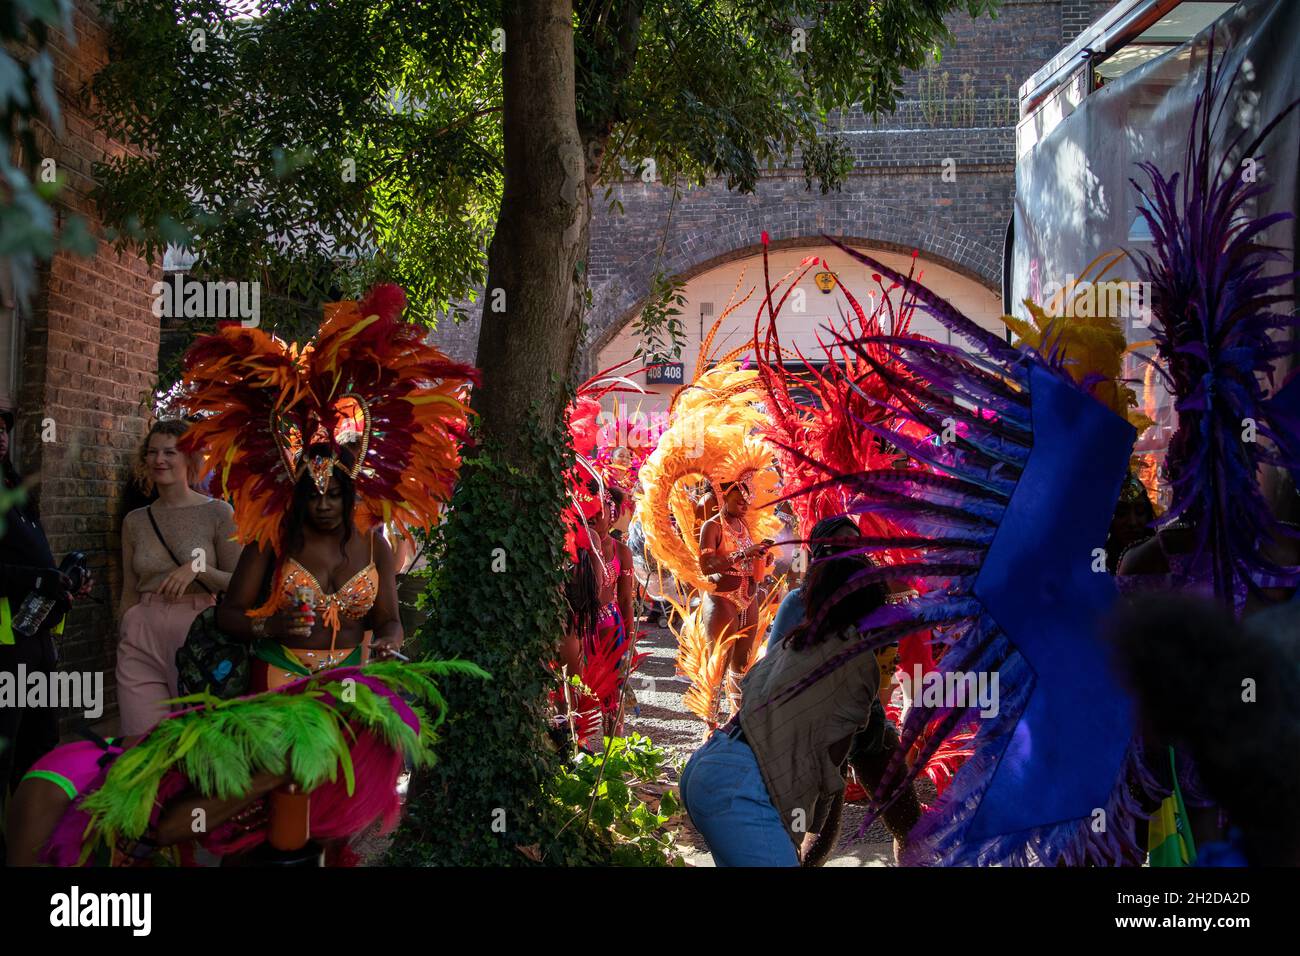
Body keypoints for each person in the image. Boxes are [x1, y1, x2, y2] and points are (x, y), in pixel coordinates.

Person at [680, 515, 919, 866]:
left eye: (856, 548)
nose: (851, 557)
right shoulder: (810, 615)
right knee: (806, 834)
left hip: (797, 744)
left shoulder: (857, 625)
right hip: (771, 759)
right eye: (840, 550)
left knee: (906, 828)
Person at [217, 447, 403, 691]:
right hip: (280, 671)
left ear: (350, 494)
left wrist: (389, 642)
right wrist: (271, 625)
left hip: (347, 679)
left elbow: (389, 620)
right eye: (313, 496)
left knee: (351, 729)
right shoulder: (273, 541)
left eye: (333, 495)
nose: (323, 505)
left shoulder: (375, 547)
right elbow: (227, 616)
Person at [0, 408, 94, 845]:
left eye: (3, 429)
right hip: (3, 646)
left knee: (38, 746)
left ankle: (32, 841)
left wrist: (63, 583)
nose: (0, 436)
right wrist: (38, 578)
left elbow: (33, 562)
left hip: (35, 638)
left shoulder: (15, 490)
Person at [116, 419, 241, 734]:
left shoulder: (218, 513)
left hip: (199, 631)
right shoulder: (135, 521)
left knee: (197, 740)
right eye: (153, 452)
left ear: (190, 457)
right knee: (140, 741)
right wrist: (125, 625)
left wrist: (199, 568)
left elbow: (239, 585)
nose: (160, 460)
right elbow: (129, 588)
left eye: (170, 452)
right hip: (142, 631)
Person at [698, 475, 774, 711]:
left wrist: (763, 556)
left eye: (746, 501)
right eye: (739, 500)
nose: (744, 505)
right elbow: (706, 566)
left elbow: (747, 558)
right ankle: (710, 724)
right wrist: (743, 554)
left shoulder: (744, 525)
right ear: (723, 497)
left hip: (748, 596)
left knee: (741, 665)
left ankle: (735, 720)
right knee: (718, 663)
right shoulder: (712, 526)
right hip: (722, 598)